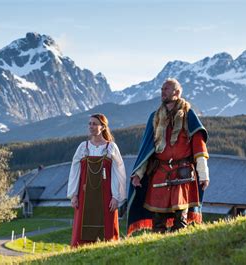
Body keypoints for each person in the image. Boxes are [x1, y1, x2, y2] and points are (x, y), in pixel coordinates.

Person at [127, 78, 209, 235]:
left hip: (183, 172)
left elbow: (199, 147)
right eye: (162, 89)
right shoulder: (155, 117)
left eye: (166, 89)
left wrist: (204, 174)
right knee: (158, 219)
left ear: (176, 93)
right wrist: (138, 174)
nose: (162, 92)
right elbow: (147, 150)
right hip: (160, 172)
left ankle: (178, 247)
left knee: (180, 218)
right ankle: (157, 247)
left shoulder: (188, 115)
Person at [67, 113, 127, 247]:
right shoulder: (83, 147)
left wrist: (116, 197)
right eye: (89, 124)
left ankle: (107, 248)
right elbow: (74, 171)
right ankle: (80, 250)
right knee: (82, 226)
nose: (91, 126)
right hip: (84, 194)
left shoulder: (111, 147)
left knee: (107, 228)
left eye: (94, 124)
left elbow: (119, 173)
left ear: (103, 127)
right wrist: (73, 194)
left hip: (106, 195)